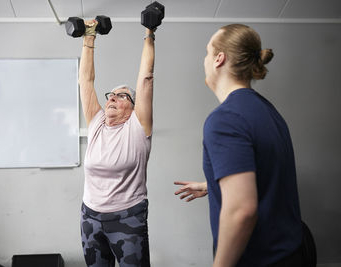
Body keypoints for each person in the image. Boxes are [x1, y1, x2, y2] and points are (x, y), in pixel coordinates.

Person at [174, 24, 304, 267]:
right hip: (292, 253)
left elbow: (242, 210)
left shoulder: (225, 119)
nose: (204, 60)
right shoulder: (267, 110)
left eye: (207, 52)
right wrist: (212, 184)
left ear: (219, 59)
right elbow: (267, 170)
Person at [78, 19, 156, 267]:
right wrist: (89, 37)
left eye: (121, 95)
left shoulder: (137, 127)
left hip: (127, 217)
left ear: (134, 108)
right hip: (90, 216)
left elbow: (145, 78)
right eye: (110, 94)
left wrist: (149, 33)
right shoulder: (97, 122)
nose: (112, 97)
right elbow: (86, 82)